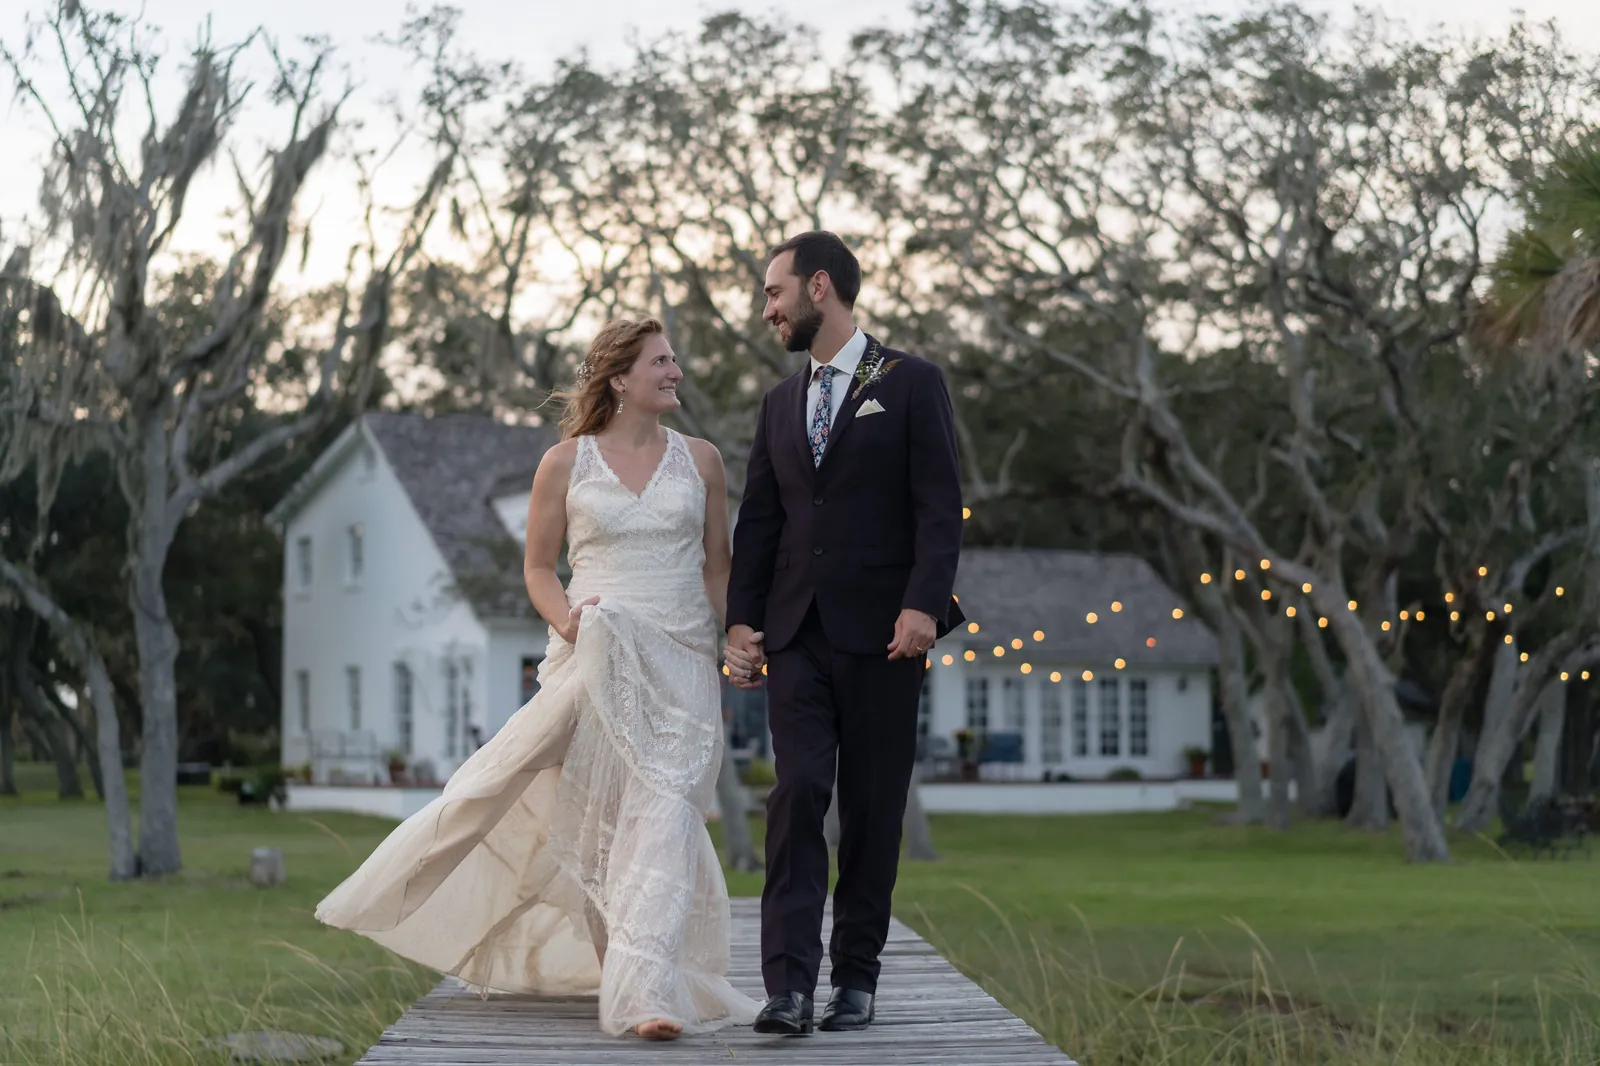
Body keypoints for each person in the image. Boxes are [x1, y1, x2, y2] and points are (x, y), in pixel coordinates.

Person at [315, 317, 760, 1041]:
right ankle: (626, 978)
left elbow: (718, 567)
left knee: (667, 811)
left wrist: (739, 631)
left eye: (674, 361)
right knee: (579, 812)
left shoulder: (702, 460)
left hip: (681, 659)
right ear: (620, 379)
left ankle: (644, 991)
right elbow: (537, 568)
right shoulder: (564, 464)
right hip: (595, 653)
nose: (676, 372)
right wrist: (568, 622)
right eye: (662, 362)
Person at [723, 231, 965, 1035]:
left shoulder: (912, 382)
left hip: (888, 635)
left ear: (818, 287)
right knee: (795, 796)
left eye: (773, 292)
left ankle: (855, 979)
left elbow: (939, 505)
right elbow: (759, 522)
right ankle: (787, 986)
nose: (767, 309)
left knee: (870, 805)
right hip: (796, 634)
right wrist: (744, 622)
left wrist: (924, 605)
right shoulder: (778, 405)